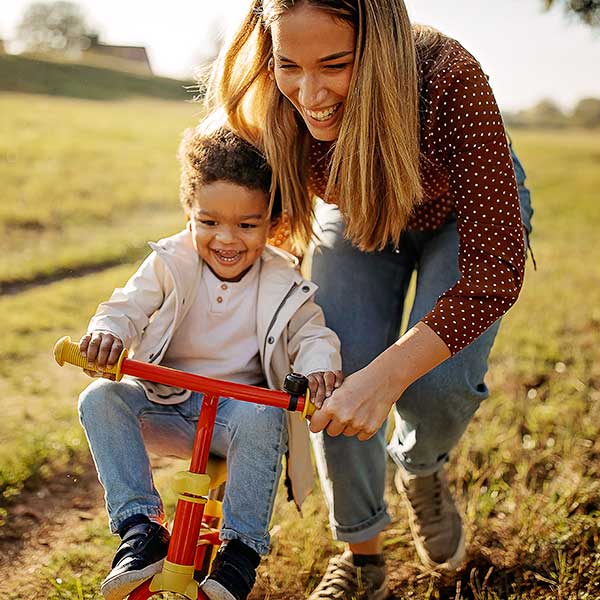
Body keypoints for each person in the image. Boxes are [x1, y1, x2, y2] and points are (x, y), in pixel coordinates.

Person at [204, 1, 533, 598]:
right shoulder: (267, 106)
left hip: (459, 214)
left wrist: (386, 381)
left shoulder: (448, 77)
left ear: (379, 47)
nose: (310, 92)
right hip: (357, 213)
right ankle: (363, 556)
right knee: (333, 369)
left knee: (434, 386)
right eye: (289, 66)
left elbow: (493, 272)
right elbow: (231, 230)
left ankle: (421, 465)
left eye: (336, 64)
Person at [77, 127, 342, 600]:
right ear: (189, 215)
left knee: (265, 414)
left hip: (234, 419)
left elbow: (312, 333)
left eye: (247, 224)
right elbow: (127, 306)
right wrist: (109, 332)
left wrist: (319, 365)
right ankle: (140, 528)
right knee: (101, 397)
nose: (227, 239)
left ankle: (240, 551)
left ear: (271, 222)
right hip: (167, 406)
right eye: (210, 221)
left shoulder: (282, 277)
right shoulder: (170, 261)